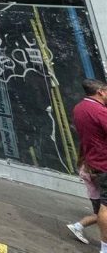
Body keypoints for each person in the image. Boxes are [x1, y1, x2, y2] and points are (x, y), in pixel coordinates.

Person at [72, 79, 107, 250]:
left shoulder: (79, 108)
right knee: (105, 208)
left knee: (100, 207)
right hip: (104, 163)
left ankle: (78, 226)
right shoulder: (100, 111)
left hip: (90, 162)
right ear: (100, 92)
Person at [68, 160, 103, 244]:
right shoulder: (90, 168)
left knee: (99, 216)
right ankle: (77, 226)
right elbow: (98, 178)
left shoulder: (85, 165)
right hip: (98, 196)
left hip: (96, 195)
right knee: (99, 216)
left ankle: (77, 226)